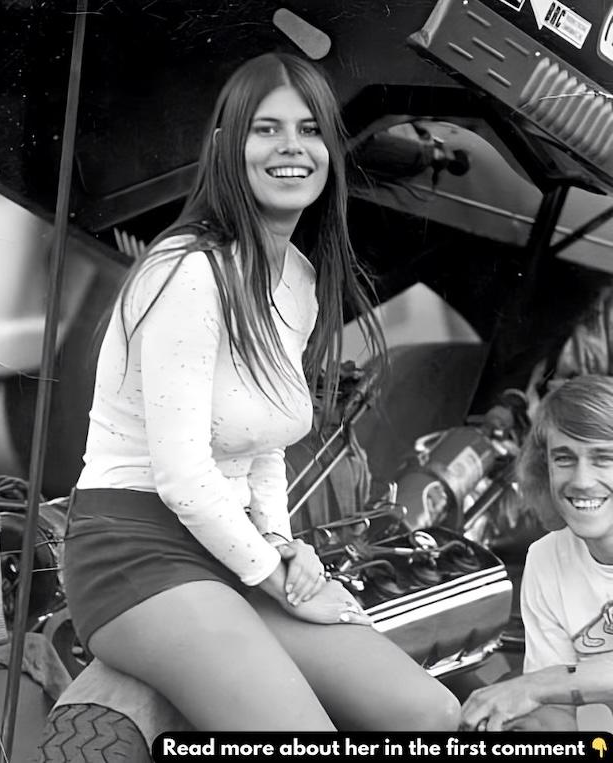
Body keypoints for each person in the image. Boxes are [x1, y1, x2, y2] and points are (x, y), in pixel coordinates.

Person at [63, 51, 461, 731]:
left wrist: (281, 543)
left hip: (234, 546)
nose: (291, 147)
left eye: (310, 130)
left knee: (427, 711)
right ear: (227, 145)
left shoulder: (299, 279)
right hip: (137, 548)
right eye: (266, 129)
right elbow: (183, 477)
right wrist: (277, 578)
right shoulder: (189, 271)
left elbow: (266, 444)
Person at [461, 375, 613, 731]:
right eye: (564, 459)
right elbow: (556, 709)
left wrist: (536, 685)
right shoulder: (546, 560)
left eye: (603, 458)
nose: (581, 480)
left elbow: (543, 686)